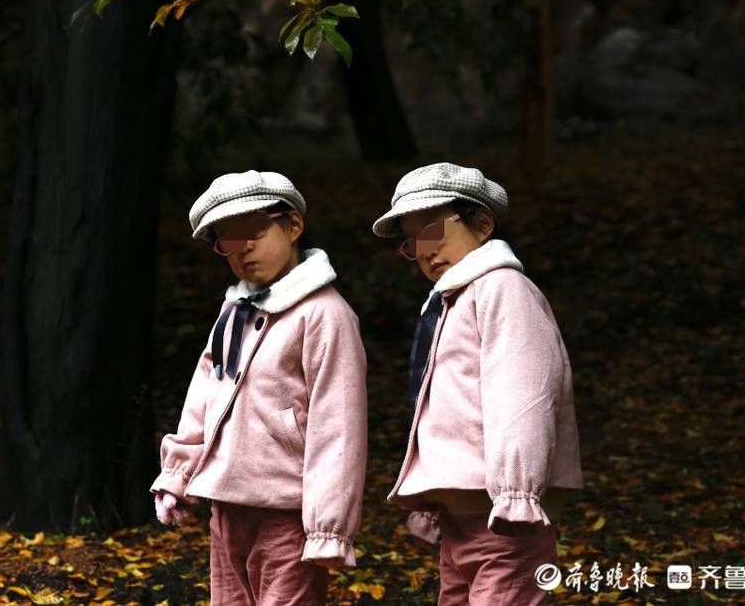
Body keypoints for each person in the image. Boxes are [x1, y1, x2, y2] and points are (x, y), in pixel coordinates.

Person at [152, 170, 368, 606]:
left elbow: (338, 428)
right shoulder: (235, 311)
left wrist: (328, 527)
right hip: (227, 504)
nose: (243, 249)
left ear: (292, 226)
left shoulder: (325, 315)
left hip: (287, 513)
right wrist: (177, 473)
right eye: (227, 241)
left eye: (253, 231)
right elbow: (204, 397)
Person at [372, 162, 583, 605]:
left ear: (482, 224)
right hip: (462, 522)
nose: (424, 251)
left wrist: (517, 494)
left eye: (432, 232)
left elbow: (524, 397)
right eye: (412, 243)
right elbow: (444, 410)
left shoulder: (504, 290)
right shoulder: (450, 301)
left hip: (505, 521)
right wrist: (435, 501)